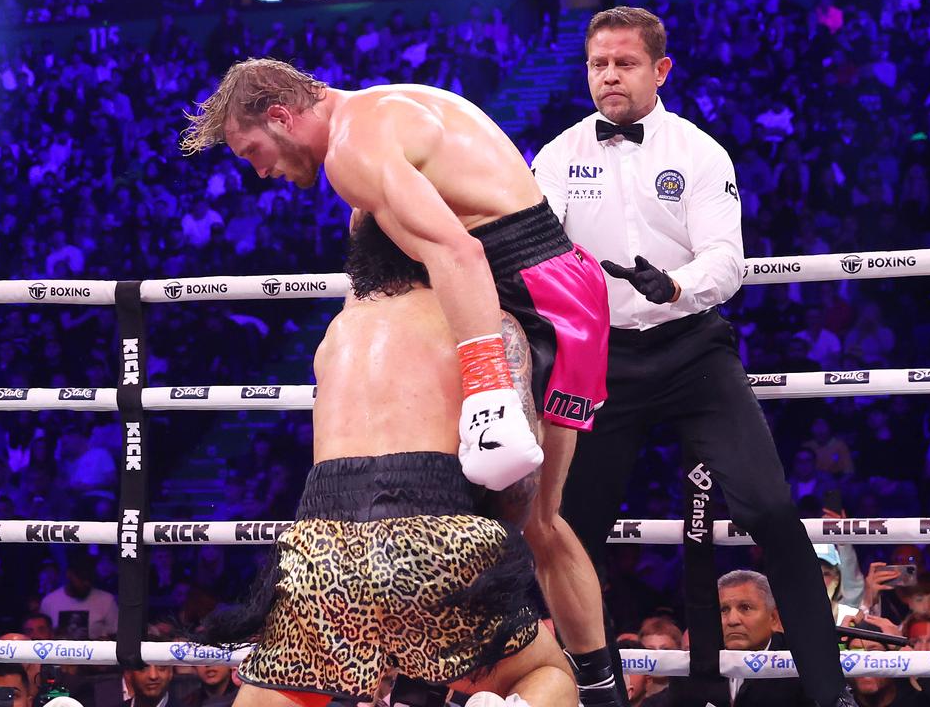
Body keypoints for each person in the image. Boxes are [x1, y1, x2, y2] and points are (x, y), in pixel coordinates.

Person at [182, 57, 617, 705]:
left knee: (524, 512)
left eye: (253, 152)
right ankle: (590, 693)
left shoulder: (352, 153)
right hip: (557, 285)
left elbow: (458, 253)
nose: (261, 171)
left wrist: (490, 389)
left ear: (280, 116)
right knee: (543, 526)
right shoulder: (382, 110)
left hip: (528, 293)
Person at [531, 7, 852, 707]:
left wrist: (673, 284)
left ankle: (832, 696)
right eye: (598, 64)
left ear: (660, 69)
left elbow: (726, 260)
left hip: (692, 350)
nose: (609, 75)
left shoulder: (700, 152)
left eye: (624, 62)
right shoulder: (555, 157)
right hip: (601, 360)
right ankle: (595, 695)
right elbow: (534, 253)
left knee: (769, 509)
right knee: (568, 535)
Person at [199, 215, 577, 707]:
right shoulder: (485, 326)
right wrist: (492, 552)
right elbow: (519, 474)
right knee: (545, 671)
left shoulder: (338, 331)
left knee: (279, 695)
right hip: (436, 534)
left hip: (321, 548)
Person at [641, 570, 808, 707]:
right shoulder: (695, 667)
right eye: (723, 610)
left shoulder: (799, 670)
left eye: (745, 608)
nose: (733, 620)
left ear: (774, 619)